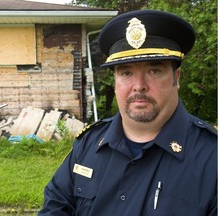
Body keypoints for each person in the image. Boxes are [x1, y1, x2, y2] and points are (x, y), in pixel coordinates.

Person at [38, 9, 217, 216]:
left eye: (154, 70)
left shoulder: (212, 157)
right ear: (115, 82)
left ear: (176, 77)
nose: (139, 86)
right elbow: (55, 207)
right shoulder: (88, 145)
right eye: (126, 72)